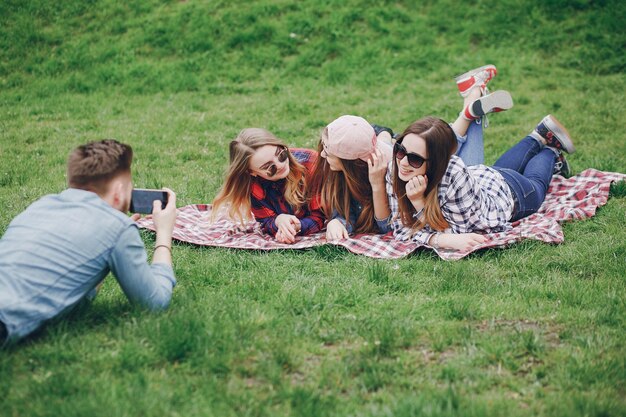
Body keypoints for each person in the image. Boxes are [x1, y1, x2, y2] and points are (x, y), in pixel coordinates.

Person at [0, 139, 178, 346]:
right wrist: (164, 233)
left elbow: (70, 296)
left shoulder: (41, 205)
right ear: (120, 192)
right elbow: (154, 304)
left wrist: (108, 246)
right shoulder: (117, 228)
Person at [309, 65, 513, 240]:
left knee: (438, 153)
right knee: (433, 149)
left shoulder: (385, 163)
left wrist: (380, 173)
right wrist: (336, 221)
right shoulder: (347, 169)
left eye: (328, 150)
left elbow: (388, 225)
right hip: (431, 170)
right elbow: (392, 226)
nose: (323, 155)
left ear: (349, 160)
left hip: (459, 185)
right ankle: (468, 109)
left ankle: (469, 109)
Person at [389, 114, 575, 251]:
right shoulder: (396, 166)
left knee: (536, 184)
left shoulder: (454, 176)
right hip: (485, 178)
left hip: (511, 194)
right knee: (500, 169)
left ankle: (552, 152)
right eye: (400, 150)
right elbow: (399, 227)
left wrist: (418, 203)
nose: (403, 162)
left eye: (415, 159)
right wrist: (437, 240)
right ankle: (538, 136)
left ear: (435, 163)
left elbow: (458, 233)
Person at [211, 128, 324, 244]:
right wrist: (278, 222)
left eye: (281, 155)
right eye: (269, 167)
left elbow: (320, 216)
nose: (280, 165)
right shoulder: (253, 187)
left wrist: (297, 226)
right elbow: (265, 220)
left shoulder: (310, 164)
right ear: (251, 172)